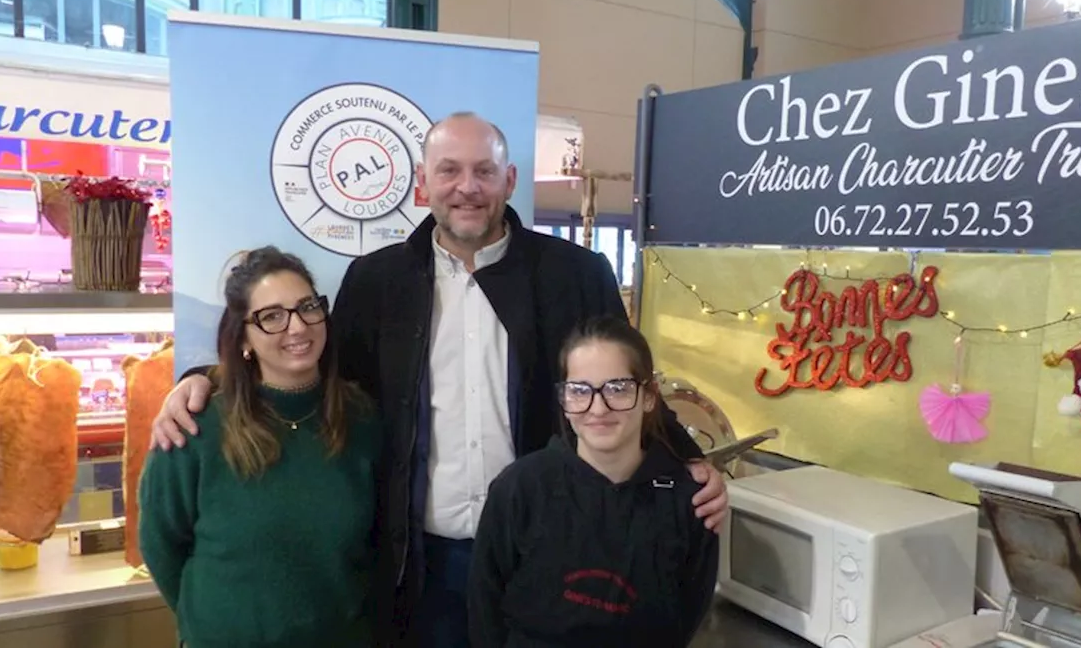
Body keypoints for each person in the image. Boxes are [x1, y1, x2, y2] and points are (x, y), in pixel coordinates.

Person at [149, 112, 729, 648]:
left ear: (509, 179)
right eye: (449, 171)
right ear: (423, 186)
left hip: (550, 552)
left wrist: (689, 465)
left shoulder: (573, 273)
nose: (467, 187)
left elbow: (624, 378)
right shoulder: (378, 282)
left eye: (484, 172)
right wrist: (207, 379)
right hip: (420, 566)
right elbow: (307, 367)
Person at [139, 247, 381, 648]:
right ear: (244, 337)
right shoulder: (193, 427)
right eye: (271, 317)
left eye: (307, 307)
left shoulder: (362, 419)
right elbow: (160, 544)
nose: (298, 327)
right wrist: (210, 621)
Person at [468, 316, 718, 648]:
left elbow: (686, 615)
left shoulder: (689, 502)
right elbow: (485, 609)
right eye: (580, 391)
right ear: (563, 399)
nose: (597, 408)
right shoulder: (520, 489)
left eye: (617, 388)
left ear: (648, 396)